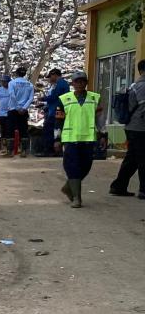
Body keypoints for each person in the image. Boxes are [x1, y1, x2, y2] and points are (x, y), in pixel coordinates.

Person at [56, 72, 102, 208]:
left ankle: (68, 186)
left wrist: (103, 135)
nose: (80, 84)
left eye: (83, 81)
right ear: (73, 84)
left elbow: (100, 119)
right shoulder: (64, 99)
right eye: (77, 82)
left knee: (86, 167)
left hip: (88, 139)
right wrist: (57, 139)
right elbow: (58, 121)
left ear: (86, 83)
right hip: (70, 139)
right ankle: (77, 198)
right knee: (73, 167)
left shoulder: (95, 98)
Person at [110, 60, 145, 198]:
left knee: (133, 159)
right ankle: (143, 190)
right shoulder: (142, 86)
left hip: (132, 127)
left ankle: (118, 186)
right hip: (140, 128)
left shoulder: (135, 85)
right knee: (142, 159)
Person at [38, 69, 70, 158]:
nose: (50, 79)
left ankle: (48, 150)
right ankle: (55, 150)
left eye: (50, 76)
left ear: (54, 75)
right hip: (56, 110)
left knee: (49, 130)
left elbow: (55, 97)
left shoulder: (60, 84)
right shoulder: (62, 84)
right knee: (56, 131)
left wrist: (43, 99)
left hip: (56, 112)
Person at [7, 66, 35, 158]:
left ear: (16, 73)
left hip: (13, 109)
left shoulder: (12, 83)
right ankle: (24, 151)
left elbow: (12, 95)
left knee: (11, 130)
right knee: (23, 130)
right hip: (24, 111)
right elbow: (30, 98)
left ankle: (10, 151)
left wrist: (18, 107)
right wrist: (24, 108)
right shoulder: (30, 85)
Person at [0, 75, 13, 151]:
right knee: (2, 130)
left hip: (10, 112)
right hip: (1, 113)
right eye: (2, 81)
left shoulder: (12, 89)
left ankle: (10, 147)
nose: (3, 83)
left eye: (5, 82)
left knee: (10, 130)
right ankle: (4, 146)